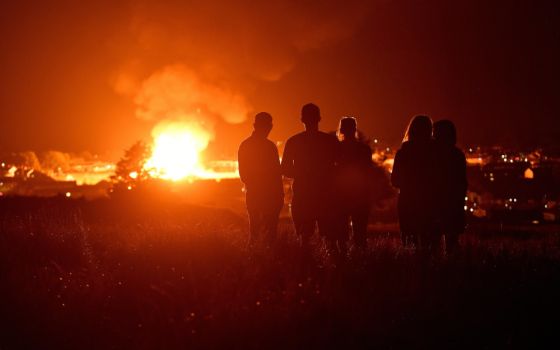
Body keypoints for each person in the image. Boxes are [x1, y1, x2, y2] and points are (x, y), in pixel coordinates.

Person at [281, 103, 340, 254]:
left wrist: (302, 173)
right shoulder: (330, 141)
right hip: (326, 195)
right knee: (330, 239)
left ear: (302, 119)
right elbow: (340, 167)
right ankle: (334, 270)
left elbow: (285, 169)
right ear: (319, 119)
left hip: (303, 195)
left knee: (304, 238)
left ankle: (305, 268)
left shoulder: (294, 141)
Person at [391, 115, 438, 251]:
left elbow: (394, 180)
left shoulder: (402, 153)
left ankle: (410, 268)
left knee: (408, 240)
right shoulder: (435, 153)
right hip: (430, 201)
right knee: (429, 242)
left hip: (407, 200)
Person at [238, 112, 284, 245]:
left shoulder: (246, 145)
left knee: (258, 233)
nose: (268, 128)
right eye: (267, 126)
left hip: (257, 195)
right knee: (265, 234)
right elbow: (276, 174)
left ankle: (258, 259)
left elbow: (244, 175)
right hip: (264, 196)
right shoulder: (269, 147)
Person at [335, 117, 373, 248]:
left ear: (341, 130)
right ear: (355, 129)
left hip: (340, 195)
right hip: (360, 194)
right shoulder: (364, 149)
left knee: (341, 232)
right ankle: (361, 259)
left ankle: (342, 259)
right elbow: (368, 172)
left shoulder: (337, 149)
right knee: (360, 231)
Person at [433, 120, 467, 255]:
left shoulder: (432, 154)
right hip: (453, 202)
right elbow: (462, 181)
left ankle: (434, 271)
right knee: (452, 242)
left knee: (433, 243)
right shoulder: (457, 154)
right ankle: (452, 269)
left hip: (434, 201)